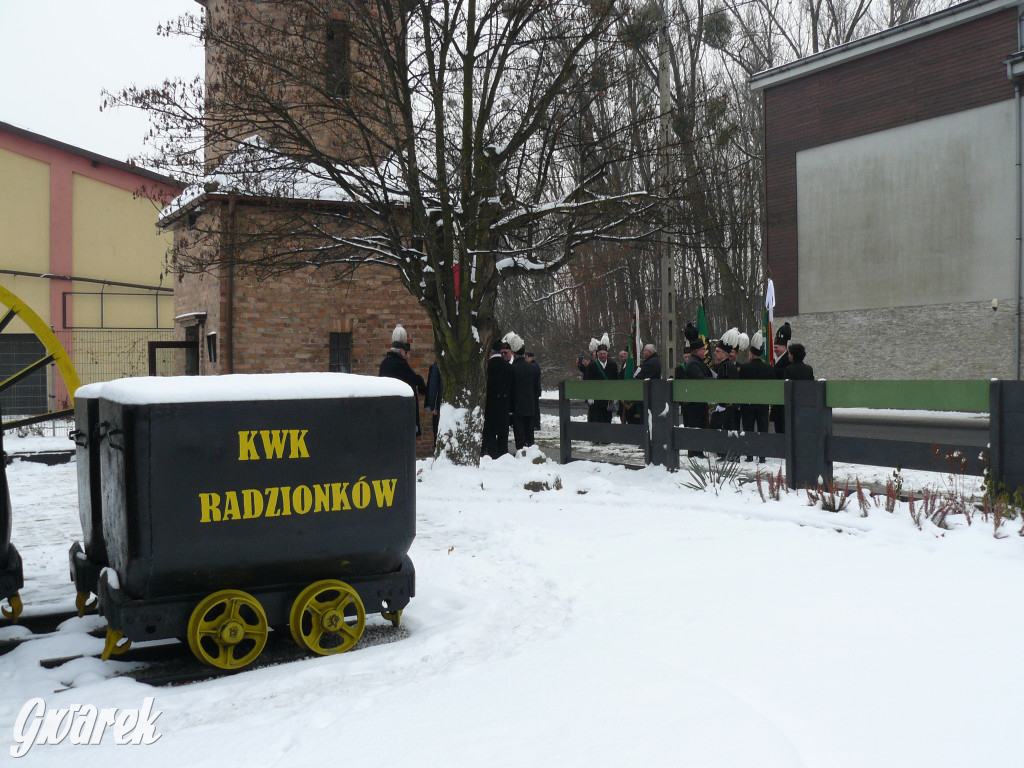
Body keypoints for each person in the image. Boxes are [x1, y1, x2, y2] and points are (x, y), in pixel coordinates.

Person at [378, 324, 427, 436]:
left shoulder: (385, 362)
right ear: (401, 351)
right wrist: (422, 385)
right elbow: (414, 378)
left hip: (388, 408)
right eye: (405, 352)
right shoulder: (400, 364)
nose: (407, 355)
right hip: (401, 411)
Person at [676, 323, 712, 458]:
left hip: (698, 402)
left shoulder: (697, 362)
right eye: (703, 349)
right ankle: (695, 453)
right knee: (695, 428)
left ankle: (699, 452)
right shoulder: (692, 364)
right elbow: (701, 380)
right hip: (692, 404)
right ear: (697, 351)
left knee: (700, 427)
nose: (705, 351)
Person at [737, 331, 773, 462]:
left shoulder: (745, 368)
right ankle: (762, 456)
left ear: (751, 354)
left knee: (748, 429)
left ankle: (749, 455)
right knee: (762, 430)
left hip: (748, 404)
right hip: (763, 404)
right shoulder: (769, 369)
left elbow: (740, 387)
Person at [482, 338, 515, 459]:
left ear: (491, 352)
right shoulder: (508, 367)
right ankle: (503, 453)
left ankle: (492, 453)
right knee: (502, 432)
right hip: (504, 403)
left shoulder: (486, 367)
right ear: (501, 351)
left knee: (489, 431)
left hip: (489, 403)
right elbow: (512, 388)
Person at [510, 335, 541, 449]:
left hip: (517, 407)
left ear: (513, 352)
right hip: (530, 405)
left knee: (519, 436)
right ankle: (531, 451)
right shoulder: (534, 368)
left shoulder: (512, 368)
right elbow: (537, 389)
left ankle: (521, 453)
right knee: (530, 436)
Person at [584, 333, 618, 423]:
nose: (603, 355)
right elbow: (588, 381)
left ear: (607, 354)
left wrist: (616, 396)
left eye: (604, 353)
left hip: (608, 397)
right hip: (597, 397)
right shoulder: (592, 365)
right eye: (601, 354)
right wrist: (589, 396)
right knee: (596, 419)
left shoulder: (613, 365)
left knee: (607, 420)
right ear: (597, 354)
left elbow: (616, 381)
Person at [771, 322, 792, 434]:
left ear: (784, 347)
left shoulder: (787, 360)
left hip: (783, 404)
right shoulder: (778, 359)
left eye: (776, 347)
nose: (774, 349)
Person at [425, 359, 442, 450]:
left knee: (438, 430)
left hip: (441, 404)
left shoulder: (438, 364)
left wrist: (432, 406)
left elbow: (433, 385)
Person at [525, 351, 542, 431]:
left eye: (527, 357)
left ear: (531, 357)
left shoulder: (534, 366)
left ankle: (536, 424)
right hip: (535, 390)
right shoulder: (535, 365)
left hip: (534, 390)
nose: (526, 359)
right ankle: (535, 424)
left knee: (535, 408)